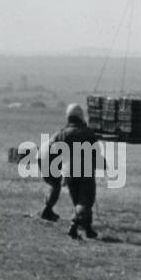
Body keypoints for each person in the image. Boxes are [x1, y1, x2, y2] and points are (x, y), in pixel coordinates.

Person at [47, 102, 103, 239]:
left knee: (78, 200)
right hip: (86, 172)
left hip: (68, 173)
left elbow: (52, 151)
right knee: (85, 201)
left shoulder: (61, 134)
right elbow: (97, 152)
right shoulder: (88, 133)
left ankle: (88, 229)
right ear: (81, 116)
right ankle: (73, 225)